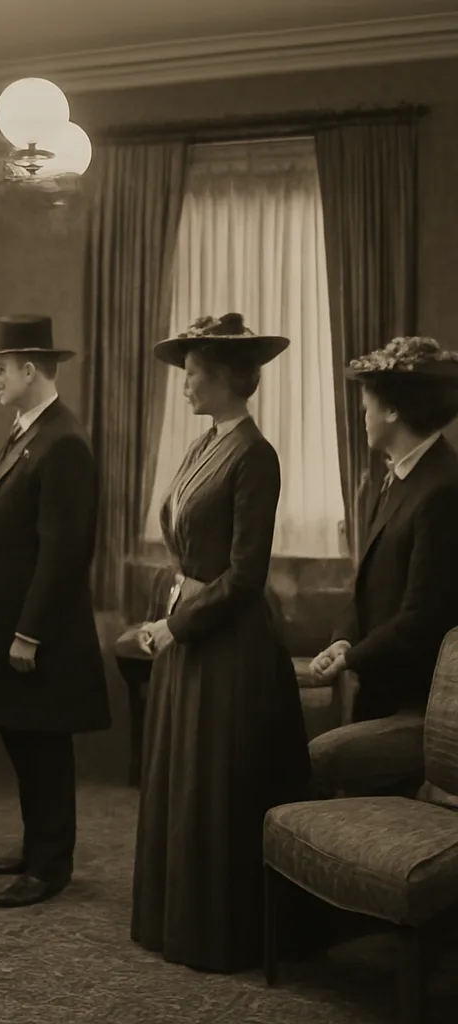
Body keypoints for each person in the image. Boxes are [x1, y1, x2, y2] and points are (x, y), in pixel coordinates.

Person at [130, 312, 311, 973]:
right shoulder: (203, 445)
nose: (186, 385)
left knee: (216, 788)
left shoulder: (256, 456)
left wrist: (175, 625)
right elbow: (188, 548)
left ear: (233, 379)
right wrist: (172, 607)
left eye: (196, 373)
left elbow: (244, 577)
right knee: (183, 781)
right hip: (193, 636)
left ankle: (224, 933)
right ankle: (174, 920)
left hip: (231, 650)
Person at [0, 314, 111, 909]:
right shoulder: (27, 431)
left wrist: (29, 631)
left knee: (46, 748)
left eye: (1, 369)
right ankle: (36, 846)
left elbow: (62, 552)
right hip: (13, 621)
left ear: (30, 370)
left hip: (41, 632)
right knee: (24, 741)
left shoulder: (63, 442)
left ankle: (50, 864)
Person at [309, 336, 458, 797]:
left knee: (307, 763)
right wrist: (343, 639)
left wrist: (351, 659)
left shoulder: (443, 489)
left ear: (392, 410)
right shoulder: (398, 477)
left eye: (368, 405)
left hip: (419, 704)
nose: (363, 416)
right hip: (381, 691)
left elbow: (423, 618)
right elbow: (370, 582)